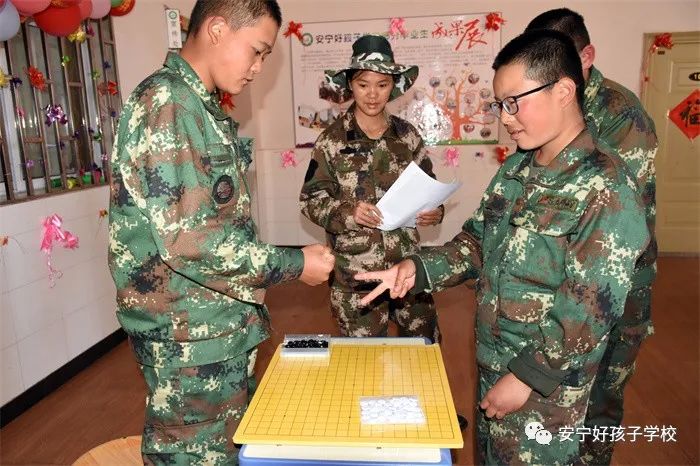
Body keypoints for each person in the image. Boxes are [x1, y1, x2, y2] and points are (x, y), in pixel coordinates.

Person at [356, 29, 650, 465]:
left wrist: (527, 377)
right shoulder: (516, 169)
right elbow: (477, 242)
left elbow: (590, 307)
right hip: (495, 361)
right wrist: (417, 269)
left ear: (563, 91)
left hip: (546, 389)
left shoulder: (606, 186)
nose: (506, 118)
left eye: (514, 102)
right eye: (500, 105)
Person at [107, 1, 334, 463]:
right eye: (257, 50)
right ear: (216, 29)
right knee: (194, 455)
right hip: (189, 338)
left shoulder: (198, 107)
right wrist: (295, 263)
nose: (258, 67)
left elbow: (216, 221)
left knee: (227, 449)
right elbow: (191, 242)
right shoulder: (168, 104)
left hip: (215, 327)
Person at [525, 9, 658, 465]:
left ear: (587, 57)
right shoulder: (544, 108)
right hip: (557, 282)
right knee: (555, 398)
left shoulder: (622, 117)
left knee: (599, 397)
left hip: (612, 287)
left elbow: (611, 220)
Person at [299, 34, 443, 342]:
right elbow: (310, 201)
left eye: (382, 84)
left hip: (407, 270)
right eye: (363, 84)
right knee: (363, 360)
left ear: (393, 85)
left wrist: (436, 211)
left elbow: (429, 188)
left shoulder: (407, 136)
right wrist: (350, 214)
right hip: (357, 277)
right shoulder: (331, 141)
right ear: (350, 84)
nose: (373, 94)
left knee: (422, 349)